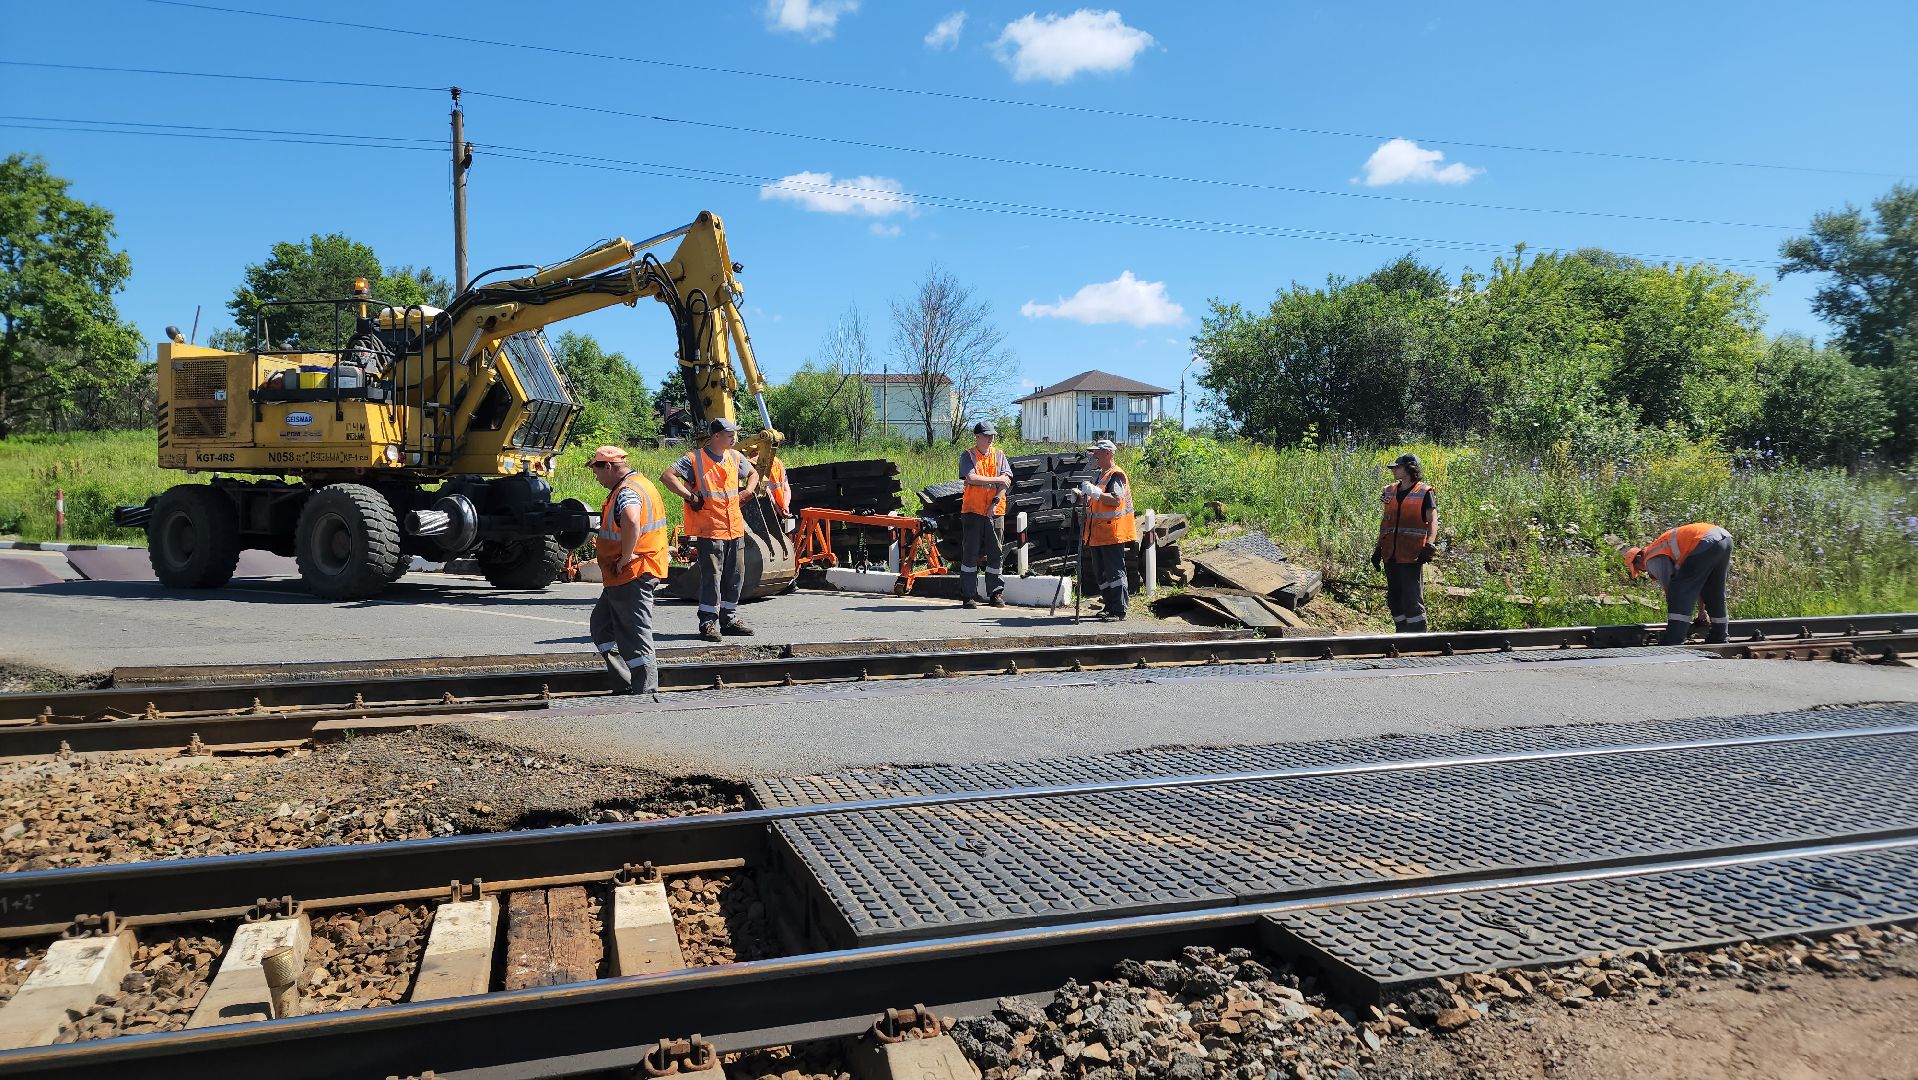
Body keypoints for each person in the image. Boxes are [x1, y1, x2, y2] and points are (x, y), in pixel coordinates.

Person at [661, 417, 760, 641]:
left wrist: (748, 491)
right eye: (729, 434)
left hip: (734, 526)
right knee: (712, 577)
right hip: (710, 528)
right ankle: (708, 622)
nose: (734, 437)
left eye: (735, 433)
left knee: (735, 575)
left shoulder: (735, 457)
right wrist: (689, 496)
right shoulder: (695, 459)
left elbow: (753, 474)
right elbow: (667, 476)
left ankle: (728, 618)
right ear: (715, 436)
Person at [587, 445, 669, 696]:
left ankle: (645, 690)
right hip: (623, 575)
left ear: (609, 467)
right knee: (602, 626)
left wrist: (625, 556)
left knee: (636, 633)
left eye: (597, 471)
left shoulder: (627, 491)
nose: (597, 477)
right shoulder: (639, 484)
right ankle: (625, 682)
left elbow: (632, 519)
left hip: (632, 572)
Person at [1625, 523, 1733, 645]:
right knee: (1713, 591)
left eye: (1638, 568)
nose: (1642, 571)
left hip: (1703, 542)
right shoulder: (1661, 548)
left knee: (1678, 591)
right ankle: (1719, 636)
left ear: (1639, 558)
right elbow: (1697, 585)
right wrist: (1702, 612)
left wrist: (1674, 615)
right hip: (1723, 539)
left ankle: (1674, 638)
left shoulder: (1651, 558)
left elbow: (1672, 590)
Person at [1371, 452, 1437, 633]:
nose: (1393, 470)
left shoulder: (1424, 491)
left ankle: (1417, 639)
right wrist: (1378, 549)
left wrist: (1429, 545)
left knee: (1412, 600)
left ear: (1409, 469)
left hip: (1411, 556)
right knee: (1394, 599)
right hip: (1390, 554)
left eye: (1397, 467)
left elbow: (1432, 521)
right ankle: (1401, 634)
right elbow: (1386, 522)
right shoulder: (1390, 490)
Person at [1075, 438, 1136, 621]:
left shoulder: (1116, 475)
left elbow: (1116, 499)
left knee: (1115, 573)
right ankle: (1110, 607)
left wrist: (1095, 493)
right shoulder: (1101, 475)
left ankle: (1119, 610)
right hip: (1098, 534)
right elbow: (1097, 502)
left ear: (1108, 453)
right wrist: (1082, 497)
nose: (1094, 455)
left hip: (1111, 533)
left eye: (1097, 452)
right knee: (1101, 573)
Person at [958, 420, 1012, 608]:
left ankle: (996, 593)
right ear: (977, 436)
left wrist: (995, 503)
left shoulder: (999, 455)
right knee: (970, 554)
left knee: (995, 553)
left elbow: (1006, 484)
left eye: (992, 436)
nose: (991, 439)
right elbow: (971, 478)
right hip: (972, 511)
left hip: (995, 512)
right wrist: (998, 478)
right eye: (987, 435)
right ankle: (968, 595)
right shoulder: (968, 456)